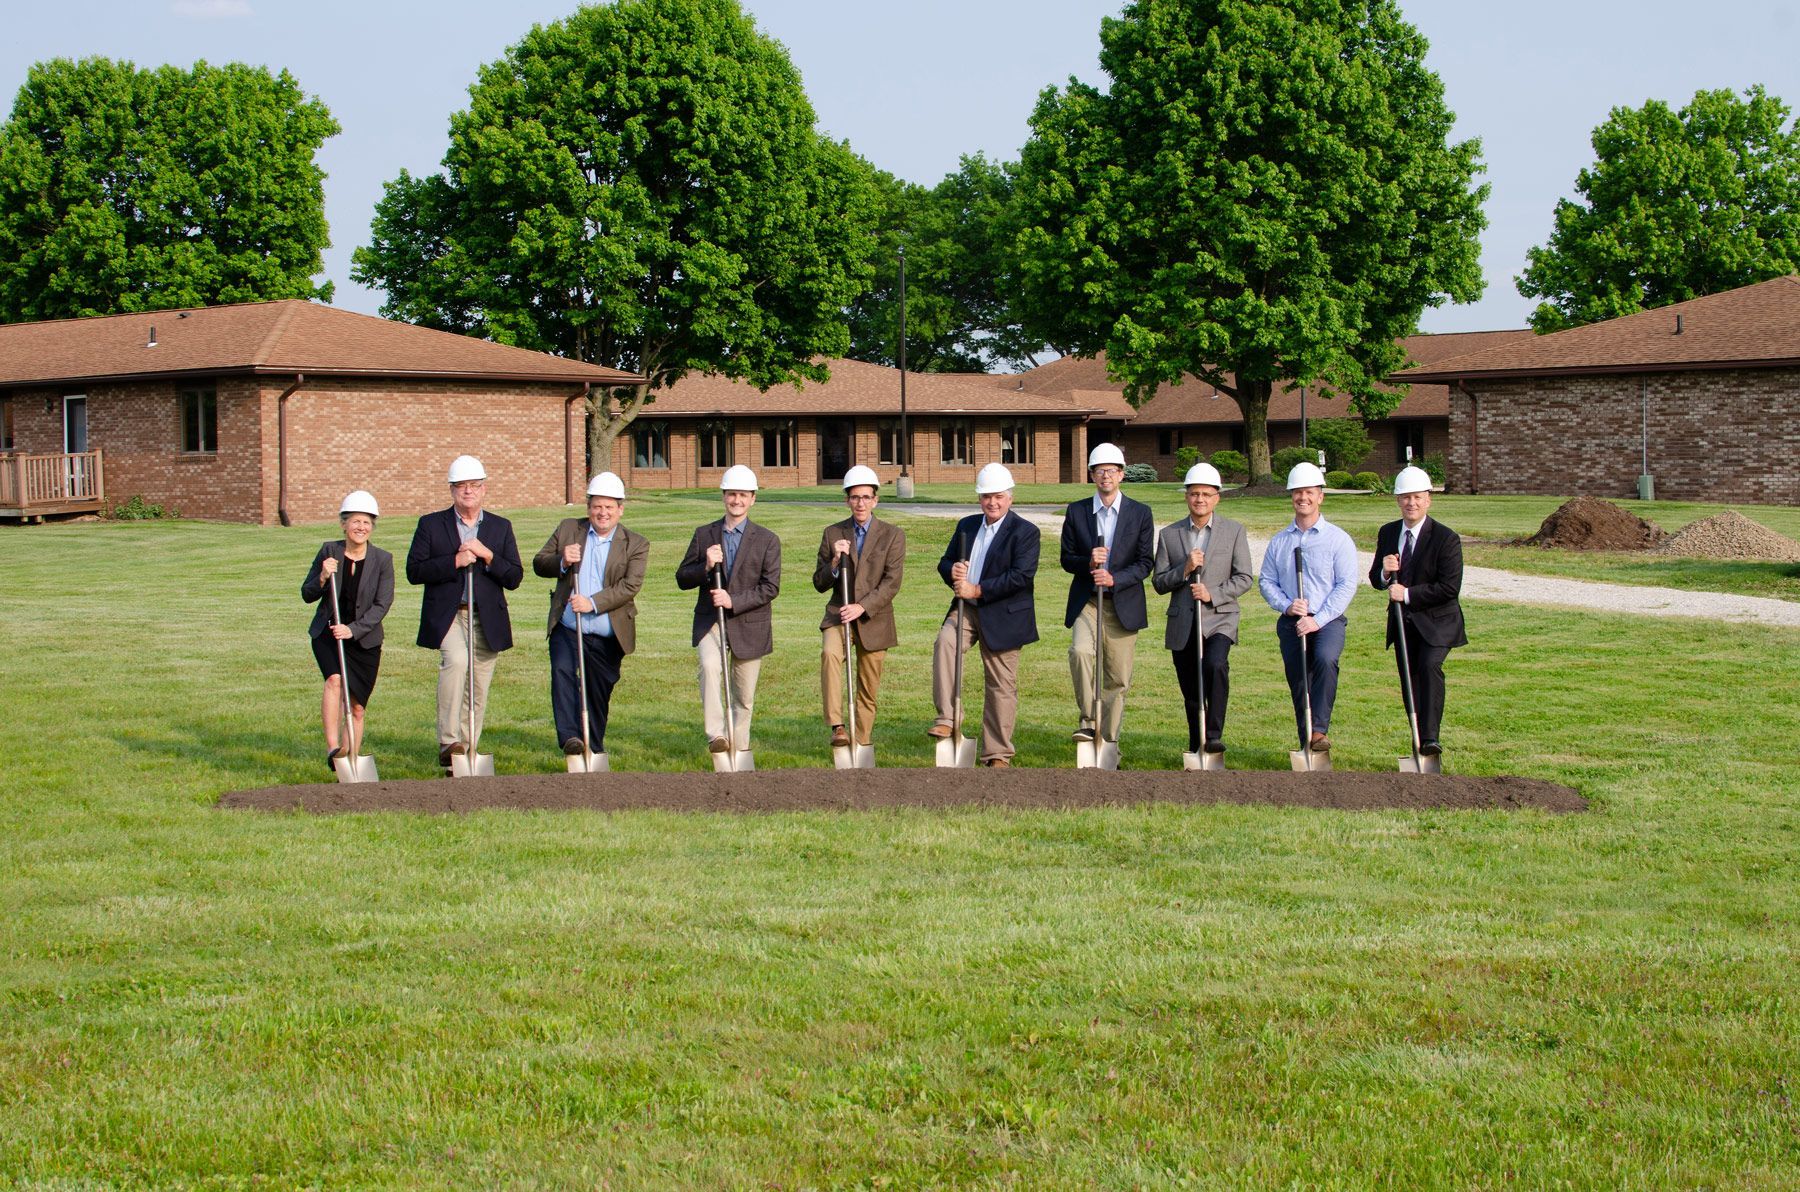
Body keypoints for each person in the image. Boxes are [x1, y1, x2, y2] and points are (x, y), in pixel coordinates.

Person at [406, 454, 524, 773]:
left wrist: (488, 556)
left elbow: (514, 577)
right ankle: (448, 741)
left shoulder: (500, 527)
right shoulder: (431, 525)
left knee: (479, 685)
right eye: (461, 486)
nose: (468, 491)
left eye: (474, 485)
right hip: (449, 614)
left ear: (484, 489)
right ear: (452, 490)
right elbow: (414, 571)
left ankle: (466, 750)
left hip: (487, 617)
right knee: (456, 662)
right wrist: (453, 562)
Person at [929, 462, 1040, 768]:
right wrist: (950, 570)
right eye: (986, 496)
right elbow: (945, 561)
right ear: (979, 498)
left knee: (1000, 685)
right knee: (945, 643)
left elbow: (1021, 576)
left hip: (1003, 613)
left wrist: (977, 589)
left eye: (998, 496)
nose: (992, 502)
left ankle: (997, 753)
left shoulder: (1026, 532)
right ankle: (947, 718)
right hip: (967, 611)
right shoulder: (966, 525)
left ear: (1010, 497)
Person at [532, 471, 650, 757]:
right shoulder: (569, 528)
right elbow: (539, 563)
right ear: (588, 508)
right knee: (562, 671)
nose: (602, 513)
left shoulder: (636, 543)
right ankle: (571, 738)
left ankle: (593, 747)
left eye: (609, 507)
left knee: (598, 692)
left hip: (607, 633)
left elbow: (630, 585)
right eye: (597, 506)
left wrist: (593, 603)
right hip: (568, 626)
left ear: (620, 509)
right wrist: (561, 561)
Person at [676, 464, 781, 757]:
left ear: (753, 499)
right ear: (724, 496)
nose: (737, 500)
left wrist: (733, 601)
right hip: (711, 621)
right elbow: (682, 578)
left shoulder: (768, 540)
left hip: (750, 624)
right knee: (709, 667)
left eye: (743, 495)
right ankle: (716, 736)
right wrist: (705, 566)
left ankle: (739, 750)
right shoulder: (704, 534)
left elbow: (770, 587)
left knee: (743, 697)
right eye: (732, 494)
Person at [1152, 463, 1255, 755]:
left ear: (1217, 498)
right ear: (1186, 496)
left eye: (1207, 494)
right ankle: (1195, 740)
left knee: (1215, 665)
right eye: (1195, 494)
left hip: (1220, 618)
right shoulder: (1170, 535)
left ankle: (1213, 735)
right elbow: (1159, 582)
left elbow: (1244, 577)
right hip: (1183, 621)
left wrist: (1213, 593)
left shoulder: (1234, 531)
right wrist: (1183, 570)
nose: (1200, 500)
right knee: (1191, 687)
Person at [1258, 460, 1358, 753]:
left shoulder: (1338, 539)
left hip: (1328, 620)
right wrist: (1287, 606)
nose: (1303, 498)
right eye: (1298, 492)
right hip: (1292, 620)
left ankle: (1319, 731)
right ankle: (1307, 740)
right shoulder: (1280, 541)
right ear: (1291, 496)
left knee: (1325, 660)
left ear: (1320, 496)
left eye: (1309, 492)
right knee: (1299, 677)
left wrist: (1319, 619)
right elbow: (1266, 581)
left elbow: (1346, 585)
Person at [1060, 442, 1154, 747]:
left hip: (1123, 604)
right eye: (1099, 471)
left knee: (1117, 678)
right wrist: (1088, 562)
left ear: (1121, 475)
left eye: (1111, 471)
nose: (1105, 477)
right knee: (1080, 653)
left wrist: (1115, 578)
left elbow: (1145, 563)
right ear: (1091, 475)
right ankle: (1088, 722)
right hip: (1088, 602)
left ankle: (1109, 741)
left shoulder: (1140, 513)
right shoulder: (1076, 511)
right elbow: (1066, 558)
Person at [1369, 465, 1466, 755]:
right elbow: (1376, 579)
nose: (1411, 503)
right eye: (1405, 497)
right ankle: (1417, 735)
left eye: (1417, 497)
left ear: (1428, 499)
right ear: (1398, 500)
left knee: (1429, 666)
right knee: (1409, 676)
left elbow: (1450, 588)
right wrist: (1385, 574)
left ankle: (1431, 738)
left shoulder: (1446, 538)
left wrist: (1408, 594)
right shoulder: (1388, 532)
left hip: (1438, 623)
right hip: (1403, 623)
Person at [811, 465, 905, 749]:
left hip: (874, 618)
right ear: (847, 500)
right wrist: (835, 564)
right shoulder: (833, 533)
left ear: (875, 500)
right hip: (838, 614)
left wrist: (862, 607)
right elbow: (819, 582)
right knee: (829, 654)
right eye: (854, 497)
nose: (860, 503)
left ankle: (861, 742)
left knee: (868, 687)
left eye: (866, 497)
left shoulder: (892, 535)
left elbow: (891, 583)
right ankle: (837, 726)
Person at [301, 490, 395, 769]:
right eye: (355, 521)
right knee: (334, 681)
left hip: (364, 641)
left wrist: (353, 630)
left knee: (357, 707)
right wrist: (322, 575)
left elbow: (382, 604)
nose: (361, 527)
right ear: (343, 524)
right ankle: (334, 750)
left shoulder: (382, 559)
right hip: (328, 634)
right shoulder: (329, 551)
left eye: (366, 522)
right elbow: (307, 594)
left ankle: (351, 759)